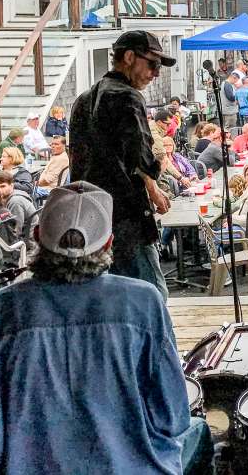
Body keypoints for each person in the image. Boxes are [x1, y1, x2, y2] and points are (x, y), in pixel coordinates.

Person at [0, 182, 213, 475]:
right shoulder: (144, 303)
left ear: (36, 235)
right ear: (109, 242)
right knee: (200, 433)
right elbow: (173, 419)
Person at [70, 30, 174, 299]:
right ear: (129, 57)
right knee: (152, 296)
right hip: (127, 217)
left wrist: (151, 188)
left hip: (90, 216)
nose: (156, 73)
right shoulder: (127, 97)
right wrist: (156, 171)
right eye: (153, 64)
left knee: (108, 296)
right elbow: (141, 157)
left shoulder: (83, 99)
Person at [0, 170, 37, 251]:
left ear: (11, 186)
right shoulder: (7, 198)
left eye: (3, 186)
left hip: (27, 244)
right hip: (25, 238)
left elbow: (15, 231)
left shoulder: (15, 202)